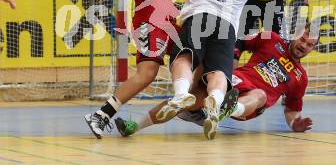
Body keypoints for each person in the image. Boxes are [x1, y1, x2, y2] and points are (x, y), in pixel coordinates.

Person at [151, 0, 287, 140]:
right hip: (226, 25)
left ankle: (180, 95)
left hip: (198, 18)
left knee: (185, 58)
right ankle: (214, 101)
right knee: (219, 73)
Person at [114, 23, 317, 136]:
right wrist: (234, 59)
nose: (303, 46)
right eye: (302, 39)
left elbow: (292, 109)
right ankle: (134, 127)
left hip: (251, 102)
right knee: (185, 100)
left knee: (260, 94)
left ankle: (228, 109)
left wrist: (294, 124)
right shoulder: (272, 39)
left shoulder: (301, 77)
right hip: (233, 81)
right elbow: (238, 40)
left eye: (309, 45)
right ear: (295, 35)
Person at [84, 0, 182, 139]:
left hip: (163, 14)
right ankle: (101, 115)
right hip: (151, 18)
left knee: (190, 55)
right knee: (147, 73)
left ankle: (195, 105)